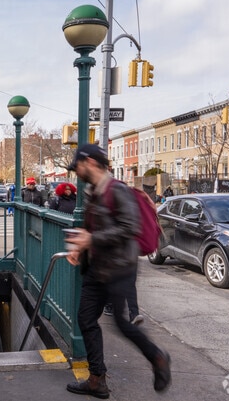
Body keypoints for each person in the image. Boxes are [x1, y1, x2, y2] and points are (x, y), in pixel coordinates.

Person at [64, 144, 171, 398]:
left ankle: (158, 358)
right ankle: (96, 380)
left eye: (77, 166)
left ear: (89, 162)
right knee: (86, 319)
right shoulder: (95, 192)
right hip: (96, 269)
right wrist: (80, 248)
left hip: (119, 268)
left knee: (122, 323)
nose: (75, 172)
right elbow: (95, 229)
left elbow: (129, 228)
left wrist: (91, 240)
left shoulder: (117, 190)